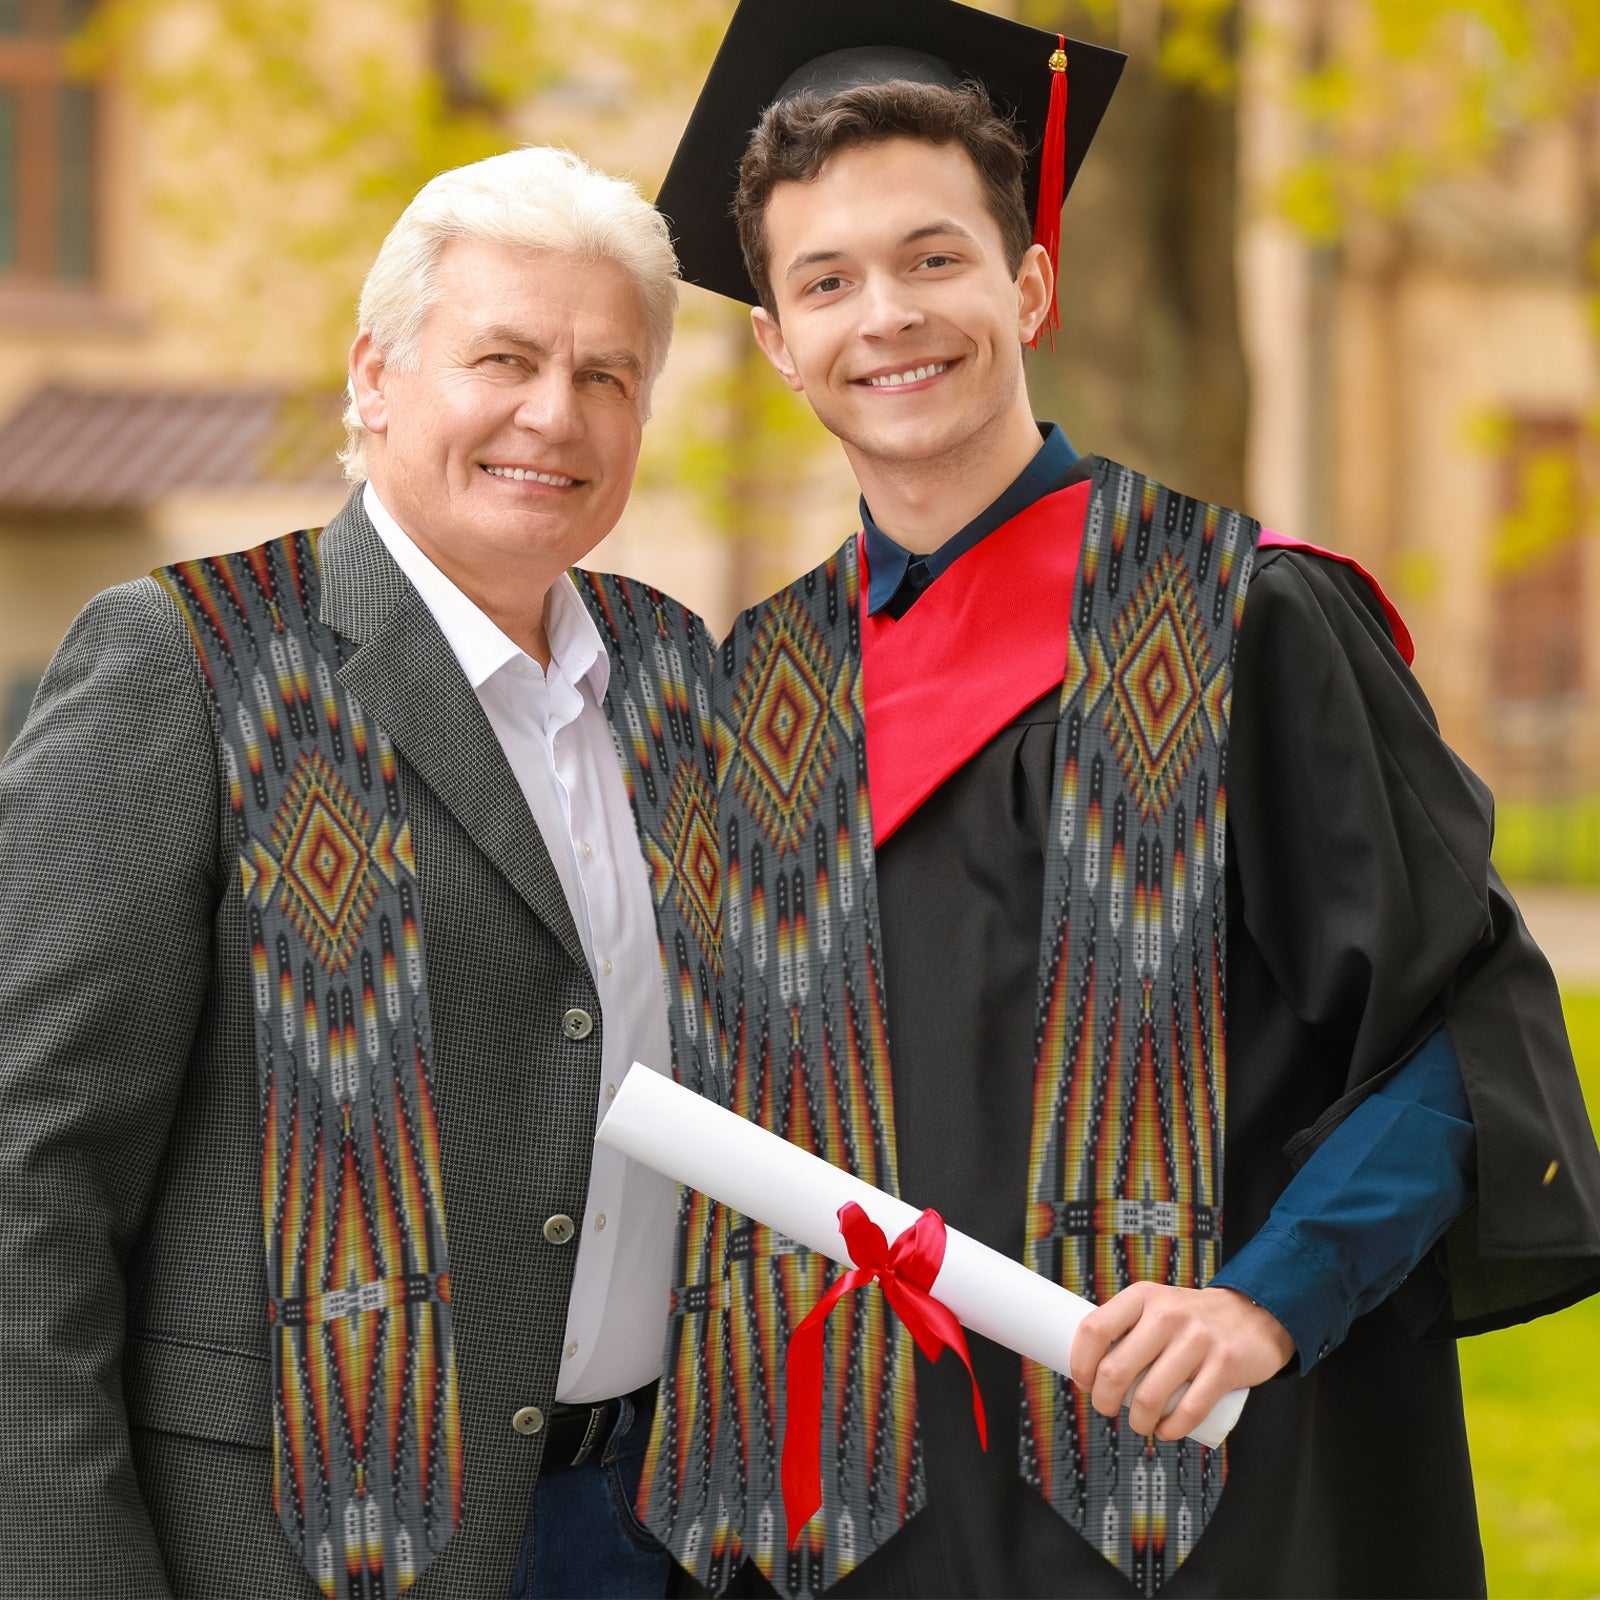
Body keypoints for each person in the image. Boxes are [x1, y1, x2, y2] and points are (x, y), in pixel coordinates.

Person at [630, 2, 1600, 1596]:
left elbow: (1460, 1035)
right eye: (828, 281)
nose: (888, 316)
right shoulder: (766, 691)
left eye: (935, 259)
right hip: (865, 1527)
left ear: (1029, 282)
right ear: (777, 343)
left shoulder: (1243, 621)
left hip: (1203, 1498)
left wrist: (1267, 1301)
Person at [0, 146, 724, 1599]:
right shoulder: (189, 661)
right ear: (376, 377)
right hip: (290, 1547)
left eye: (606, 375)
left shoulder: (675, 674)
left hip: (648, 1530)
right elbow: (29, 1174)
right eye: (504, 357)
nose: (553, 413)